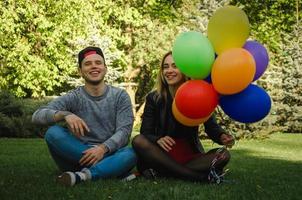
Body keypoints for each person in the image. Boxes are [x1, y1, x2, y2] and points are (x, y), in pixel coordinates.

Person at [32, 46, 137, 186]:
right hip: (78, 155)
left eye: (98, 63)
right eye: (88, 64)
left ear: (105, 68)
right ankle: (108, 168)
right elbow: (37, 116)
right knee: (53, 133)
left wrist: (102, 149)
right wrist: (65, 115)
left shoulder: (120, 96)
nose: (94, 66)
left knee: (131, 153)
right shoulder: (74, 97)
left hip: (106, 151)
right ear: (80, 71)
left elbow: (124, 133)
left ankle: (82, 176)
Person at [132, 51, 235, 184]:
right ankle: (196, 176)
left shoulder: (199, 94)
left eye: (175, 66)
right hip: (160, 154)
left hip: (188, 154)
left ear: (185, 70)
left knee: (223, 155)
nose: (169, 70)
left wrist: (222, 136)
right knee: (138, 140)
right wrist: (158, 139)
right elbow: (145, 132)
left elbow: (211, 126)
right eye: (166, 66)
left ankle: (165, 172)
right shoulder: (154, 97)